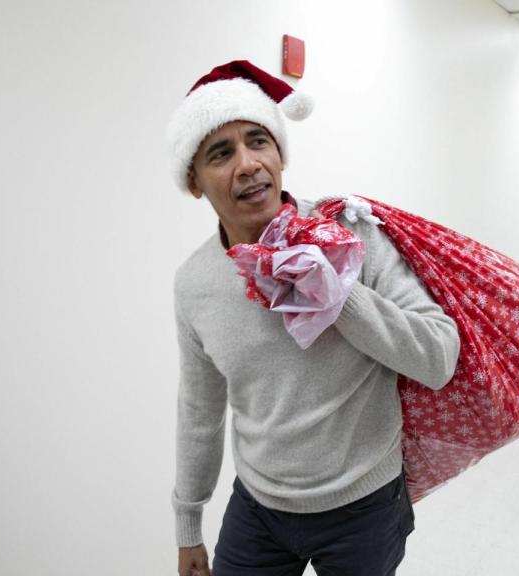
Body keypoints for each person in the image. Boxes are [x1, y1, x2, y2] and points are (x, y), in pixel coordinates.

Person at [165, 60, 460, 576]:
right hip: (259, 507)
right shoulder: (195, 284)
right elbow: (199, 412)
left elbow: (438, 356)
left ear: (280, 152)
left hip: (364, 506)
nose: (248, 164)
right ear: (195, 181)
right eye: (221, 153)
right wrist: (188, 526)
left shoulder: (351, 231)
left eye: (259, 141)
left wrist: (339, 296)